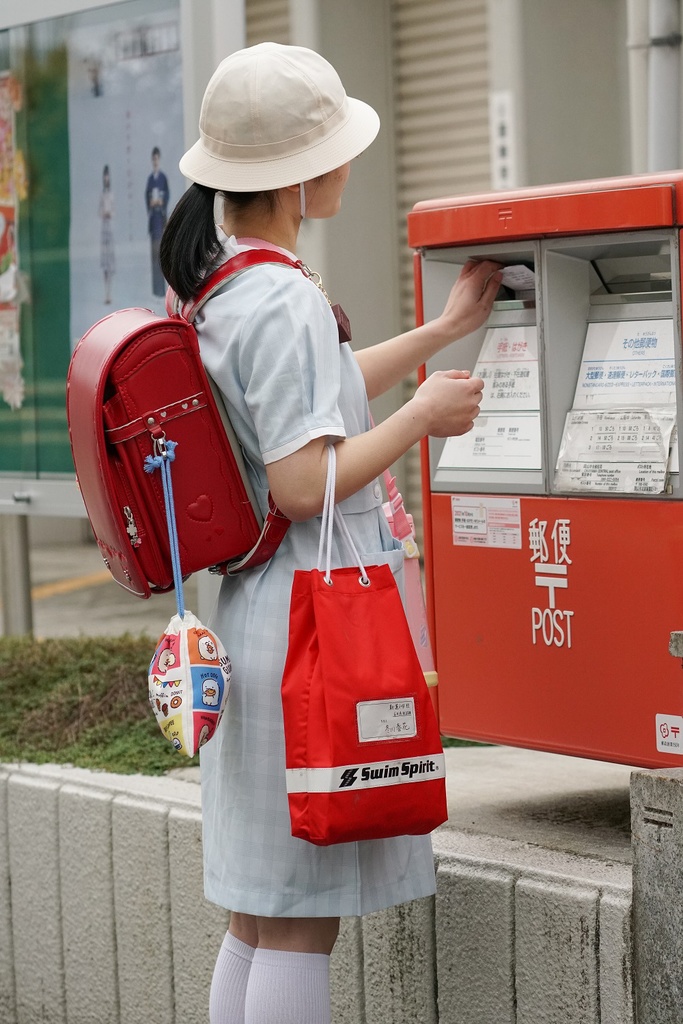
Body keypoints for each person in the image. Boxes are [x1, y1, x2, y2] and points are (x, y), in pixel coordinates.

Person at [159, 41, 501, 1024]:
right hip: (313, 618)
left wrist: (436, 335)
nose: (346, 164)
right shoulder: (285, 299)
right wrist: (420, 419)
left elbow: (319, 398)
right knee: (303, 918)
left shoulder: (220, 284)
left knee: (259, 911)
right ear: (299, 175)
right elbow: (306, 479)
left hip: (258, 612)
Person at [145, 146, 169, 296]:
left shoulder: (162, 178)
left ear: (159, 159)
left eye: (156, 158)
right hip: (153, 219)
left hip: (160, 217)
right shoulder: (150, 179)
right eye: (153, 159)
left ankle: (162, 290)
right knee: (153, 254)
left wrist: (161, 201)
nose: (155, 161)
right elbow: (146, 197)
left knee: (161, 253)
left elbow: (166, 195)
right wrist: (151, 202)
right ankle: (155, 290)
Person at [99, 165, 114, 304]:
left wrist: (110, 214)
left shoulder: (111, 194)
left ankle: (109, 292)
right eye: (105, 175)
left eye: (107, 175)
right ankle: (106, 293)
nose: (106, 178)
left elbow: (114, 211)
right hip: (104, 228)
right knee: (105, 264)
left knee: (110, 263)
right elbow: (99, 212)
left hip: (110, 228)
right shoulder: (103, 194)